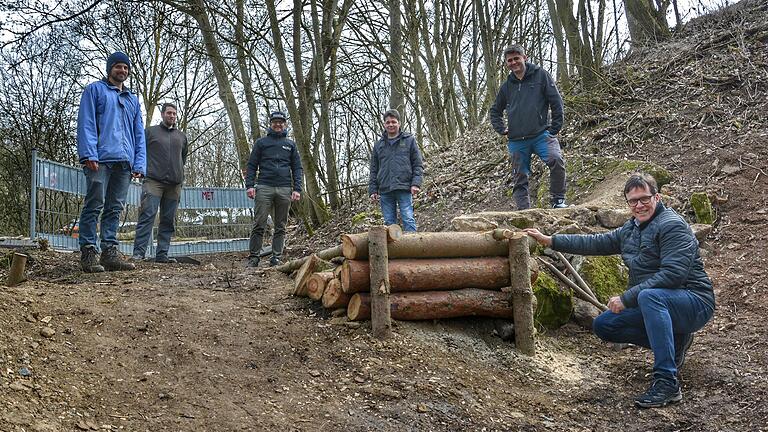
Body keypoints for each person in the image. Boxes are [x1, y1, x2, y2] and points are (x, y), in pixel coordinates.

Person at [524, 173, 715, 408]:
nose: (639, 205)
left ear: (657, 197)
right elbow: (596, 243)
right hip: (658, 303)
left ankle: (667, 383)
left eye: (644, 199)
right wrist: (551, 240)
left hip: (694, 302)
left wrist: (627, 298)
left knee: (649, 296)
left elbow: (673, 275)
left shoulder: (672, 226)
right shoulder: (631, 229)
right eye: (633, 201)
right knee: (605, 325)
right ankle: (676, 341)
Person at [76, 51, 146, 273]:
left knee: (115, 208)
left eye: (125, 68)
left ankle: (110, 252)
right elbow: (85, 122)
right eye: (118, 67)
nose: (122, 71)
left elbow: (138, 134)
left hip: (124, 163)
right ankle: (88, 251)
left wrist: (139, 163)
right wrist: (89, 154)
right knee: (94, 203)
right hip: (100, 160)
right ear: (109, 69)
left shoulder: (133, 100)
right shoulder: (94, 90)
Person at [489, 44, 567, 210]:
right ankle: (524, 212)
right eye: (509, 60)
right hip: (517, 140)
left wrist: (555, 128)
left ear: (525, 57)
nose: (513, 62)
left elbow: (556, 102)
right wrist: (501, 129)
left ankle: (558, 201)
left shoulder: (541, 76)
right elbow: (495, 110)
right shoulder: (507, 86)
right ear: (506, 63)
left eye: (516, 58)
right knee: (520, 176)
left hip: (541, 135)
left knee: (556, 160)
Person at [131, 103, 188, 263]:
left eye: (174, 114)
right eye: (169, 113)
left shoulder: (181, 136)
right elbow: (140, 152)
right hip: (153, 181)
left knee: (168, 220)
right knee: (147, 215)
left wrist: (179, 175)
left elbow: (183, 158)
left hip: (174, 185)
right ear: (162, 114)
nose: (172, 116)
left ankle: (162, 255)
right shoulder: (150, 132)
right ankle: (138, 254)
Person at [244, 111, 303, 267]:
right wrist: (250, 185)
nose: (278, 124)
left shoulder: (290, 144)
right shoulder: (261, 143)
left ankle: (276, 257)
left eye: (281, 122)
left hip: (284, 188)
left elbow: (297, 167)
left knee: (281, 225)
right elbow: (251, 165)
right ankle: (254, 257)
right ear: (271, 124)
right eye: (275, 122)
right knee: (259, 223)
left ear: (285, 124)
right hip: (264, 186)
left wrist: (297, 189)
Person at [368, 109, 423, 232]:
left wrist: (416, 183)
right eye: (388, 122)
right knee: (389, 223)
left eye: (393, 122)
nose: (391, 125)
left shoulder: (409, 140)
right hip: (385, 189)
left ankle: (412, 249)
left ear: (399, 123)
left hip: (404, 187)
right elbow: (374, 169)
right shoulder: (378, 145)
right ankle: (395, 250)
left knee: (408, 218)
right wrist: (373, 190)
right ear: (384, 124)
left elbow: (417, 164)